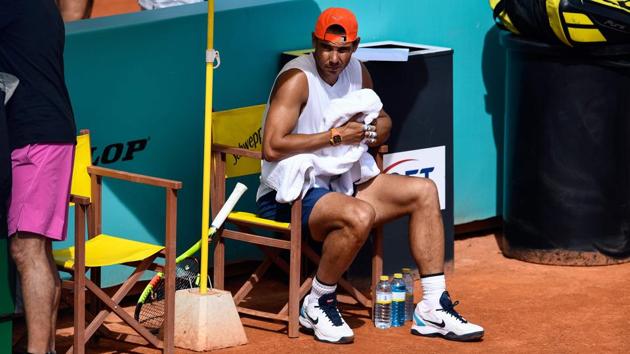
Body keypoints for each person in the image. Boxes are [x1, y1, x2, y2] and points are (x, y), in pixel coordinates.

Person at [257, 7, 484, 344]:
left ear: (355, 46)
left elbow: (383, 120)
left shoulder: (359, 74)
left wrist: (378, 129)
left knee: (424, 190)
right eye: (326, 48)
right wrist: (336, 137)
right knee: (359, 214)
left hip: (342, 184)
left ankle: (433, 307)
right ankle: (317, 300)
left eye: (343, 49)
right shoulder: (296, 80)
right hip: (290, 195)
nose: (334, 58)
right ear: (314, 43)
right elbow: (271, 147)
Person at [0, 1, 77, 353]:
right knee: (39, 250)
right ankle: (43, 347)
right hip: (43, 132)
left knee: (26, 250)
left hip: (36, 136)